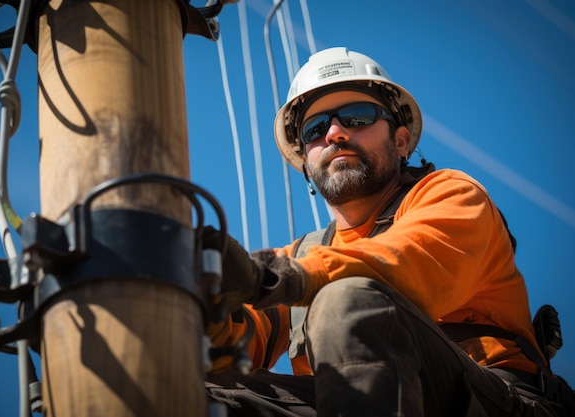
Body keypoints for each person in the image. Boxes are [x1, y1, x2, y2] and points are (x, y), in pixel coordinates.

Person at [202, 47, 574, 417]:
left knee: (346, 301)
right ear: (305, 165)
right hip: (352, 402)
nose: (334, 133)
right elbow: (239, 347)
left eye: (357, 117)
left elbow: (410, 260)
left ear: (400, 142)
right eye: (315, 129)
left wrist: (269, 278)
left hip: (491, 401)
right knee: (198, 395)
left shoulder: (452, 194)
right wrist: (209, 304)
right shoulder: (300, 257)